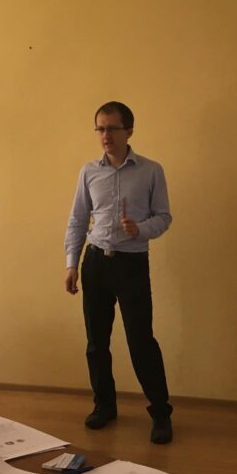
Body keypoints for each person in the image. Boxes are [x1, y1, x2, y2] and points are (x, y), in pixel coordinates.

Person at [64, 101, 174, 444]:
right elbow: (78, 220)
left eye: (112, 128)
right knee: (96, 342)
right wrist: (71, 264)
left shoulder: (151, 170)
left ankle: (160, 413)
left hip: (131, 265)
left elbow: (164, 217)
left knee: (141, 342)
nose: (105, 135)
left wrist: (139, 229)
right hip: (96, 263)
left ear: (129, 131)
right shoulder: (88, 172)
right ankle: (104, 406)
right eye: (100, 128)